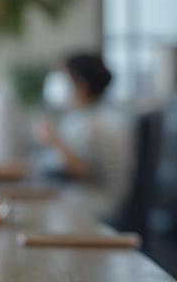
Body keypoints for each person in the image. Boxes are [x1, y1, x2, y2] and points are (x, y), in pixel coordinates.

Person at [36, 53, 133, 219]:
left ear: (81, 86)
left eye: (63, 78)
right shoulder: (82, 117)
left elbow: (81, 170)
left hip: (99, 203)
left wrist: (54, 141)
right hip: (84, 196)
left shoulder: (101, 123)